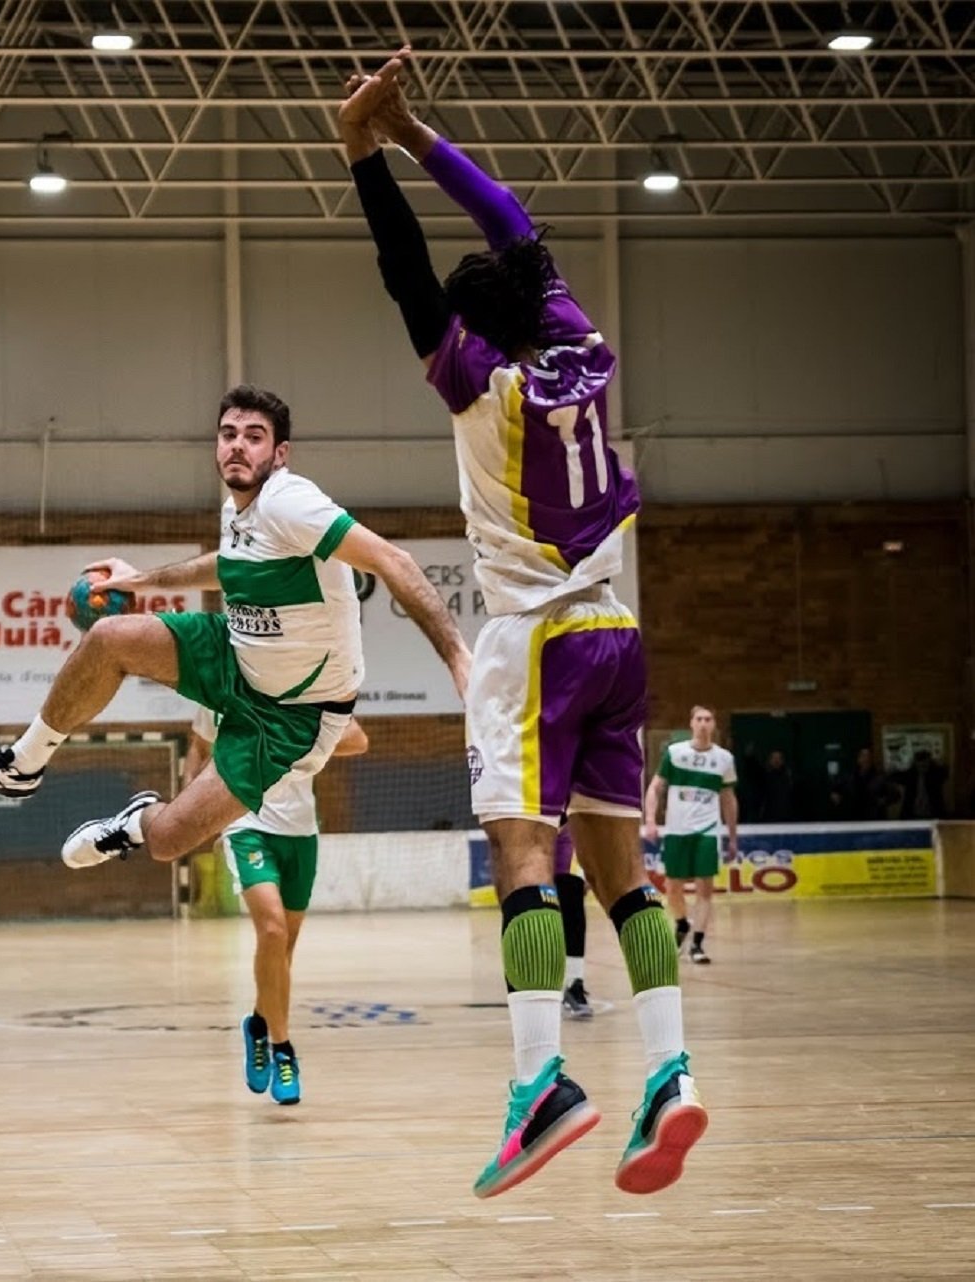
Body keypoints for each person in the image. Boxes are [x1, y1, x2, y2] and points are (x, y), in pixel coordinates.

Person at [339, 52, 705, 1200]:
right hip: (618, 635)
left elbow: (406, 272)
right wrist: (410, 134)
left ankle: (541, 1080)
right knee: (624, 874)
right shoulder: (584, 352)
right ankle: (667, 1070)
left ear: (471, 327)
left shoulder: (481, 387)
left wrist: (356, 153)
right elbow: (511, 222)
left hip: (532, 641)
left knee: (520, 857)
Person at [0, 384, 472, 878]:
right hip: (236, 651)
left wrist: (456, 659)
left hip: (293, 715)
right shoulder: (237, 510)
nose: (238, 446)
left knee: (169, 842)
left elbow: (394, 561)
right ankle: (23, 765)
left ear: (279, 454)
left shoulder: (291, 501)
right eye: (228, 434)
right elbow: (225, 562)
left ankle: (136, 822)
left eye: (255, 437)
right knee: (109, 637)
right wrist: (139, 579)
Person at [186, 706, 369, 1105]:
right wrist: (192, 814)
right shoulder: (219, 691)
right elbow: (199, 748)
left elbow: (357, 739)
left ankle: (258, 1023)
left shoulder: (307, 692)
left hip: (300, 829)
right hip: (245, 824)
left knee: (281, 952)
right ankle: (282, 1049)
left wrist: (296, 736)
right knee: (271, 930)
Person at [643, 707, 739, 965]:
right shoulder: (675, 753)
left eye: (708, 719)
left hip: (707, 830)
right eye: (699, 719)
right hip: (676, 830)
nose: (704, 724)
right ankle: (682, 923)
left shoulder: (724, 759)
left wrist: (732, 836)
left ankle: (697, 943)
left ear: (714, 724)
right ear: (691, 724)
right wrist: (650, 820)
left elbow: (728, 799)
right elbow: (655, 788)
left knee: (704, 888)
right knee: (671, 887)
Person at [555, 821, 593, 1019]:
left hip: (566, 829)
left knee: (572, 905)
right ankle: (532, 983)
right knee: (532, 908)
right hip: (531, 826)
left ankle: (574, 982)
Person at [896, 749, 949, 820]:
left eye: (925, 763)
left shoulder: (935, 775)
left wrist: (935, 764)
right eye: (920, 763)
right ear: (916, 763)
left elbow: (944, 772)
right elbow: (895, 776)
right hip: (913, 814)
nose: (922, 765)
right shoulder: (910, 775)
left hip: (932, 813)